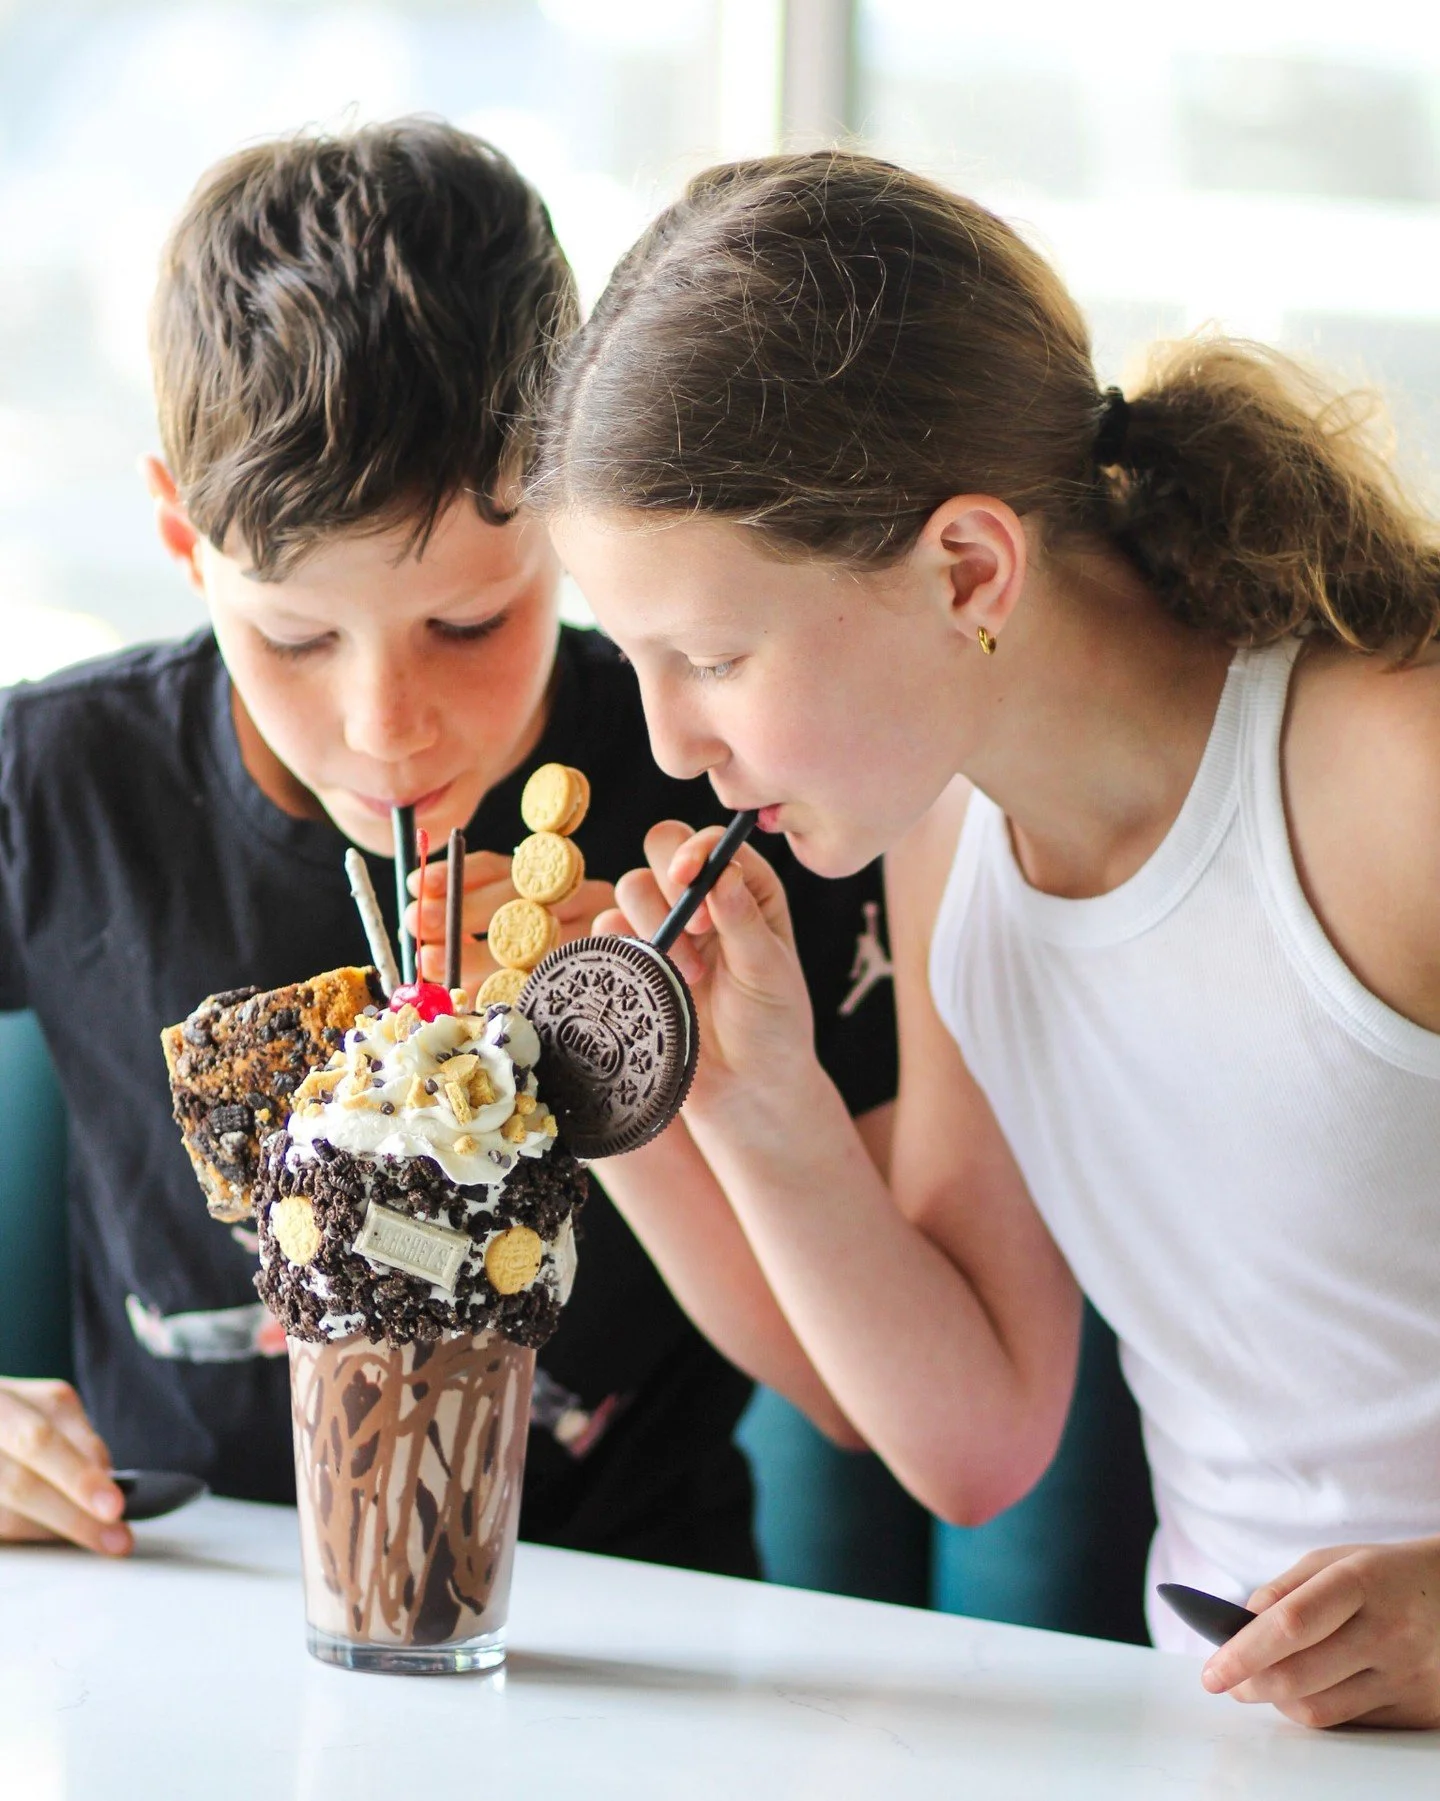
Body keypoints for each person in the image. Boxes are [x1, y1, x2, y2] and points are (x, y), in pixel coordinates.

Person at [529, 151, 1440, 1729]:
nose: (675, 746)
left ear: (966, 569)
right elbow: (973, 1445)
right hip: (1229, 1731)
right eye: (641, 661)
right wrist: (762, 1103)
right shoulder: (956, 842)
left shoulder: (1391, 775)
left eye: (717, 656)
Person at [0, 124, 896, 1577]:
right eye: (293, 637)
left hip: (628, 1615)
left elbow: (866, 1409)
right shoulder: (61, 785)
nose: (384, 726)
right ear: (181, 534)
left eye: (469, 624)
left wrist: (648, 1085)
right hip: (170, 1603)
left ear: (567, 514)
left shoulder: (718, 808)